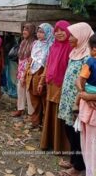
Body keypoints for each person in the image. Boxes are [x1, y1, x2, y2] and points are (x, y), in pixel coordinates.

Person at [57, 22, 94, 176]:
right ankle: (73, 160)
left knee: (77, 133)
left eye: (72, 35)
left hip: (78, 102)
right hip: (67, 99)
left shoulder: (88, 57)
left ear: (82, 36)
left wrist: (77, 101)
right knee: (69, 129)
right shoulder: (75, 52)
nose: (69, 38)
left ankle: (78, 167)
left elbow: (87, 82)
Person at [39, 20, 72, 152]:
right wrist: (42, 81)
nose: (59, 33)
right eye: (56, 30)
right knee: (51, 112)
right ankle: (49, 142)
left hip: (64, 87)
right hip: (51, 84)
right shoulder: (53, 46)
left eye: (62, 30)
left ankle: (61, 145)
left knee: (61, 114)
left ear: (69, 31)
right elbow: (47, 65)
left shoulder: (72, 48)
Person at [25, 23, 54, 128]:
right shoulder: (36, 43)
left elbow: (48, 64)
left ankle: (46, 124)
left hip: (42, 74)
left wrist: (42, 79)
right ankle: (35, 121)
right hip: (32, 73)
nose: (39, 34)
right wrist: (26, 72)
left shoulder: (51, 46)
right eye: (38, 32)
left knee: (44, 100)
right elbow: (31, 58)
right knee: (34, 100)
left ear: (48, 33)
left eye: (42, 32)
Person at [11, 23, 36, 117]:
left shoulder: (34, 43)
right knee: (20, 90)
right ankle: (20, 109)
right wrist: (19, 70)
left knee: (28, 93)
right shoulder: (23, 42)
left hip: (29, 71)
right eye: (24, 29)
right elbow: (20, 58)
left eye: (27, 30)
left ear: (32, 31)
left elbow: (31, 60)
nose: (24, 31)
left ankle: (31, 113)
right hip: (21, 70)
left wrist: (25, 73)